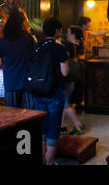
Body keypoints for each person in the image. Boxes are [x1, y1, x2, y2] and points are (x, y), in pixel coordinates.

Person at [32, 17, 69, 165]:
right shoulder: (58, 48)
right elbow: (65, 72)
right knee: (54, 127)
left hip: (37, 91)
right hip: (54, 92)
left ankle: (42, 159)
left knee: (42, 127)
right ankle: (50, 162)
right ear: (57, 31)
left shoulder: (37, 46)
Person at [0, 11, 35, 109]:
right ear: (22, 23)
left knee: (12, 113)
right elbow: (35, 57)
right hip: (27, 80)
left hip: (10, 81)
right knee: (28, 113)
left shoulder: (2, 41)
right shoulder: (28, 38)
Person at [60, 25, 86, 135]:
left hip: (67, 77)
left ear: (73, 35)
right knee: (63, 103)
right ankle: (61, 126)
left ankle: (78, 124)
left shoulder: (68, 45)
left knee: (66, 104)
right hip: (73, 77)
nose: (67, 34)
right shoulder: (78, 45)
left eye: (68, 32)